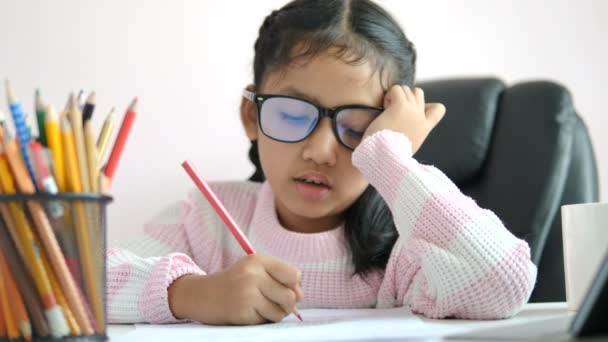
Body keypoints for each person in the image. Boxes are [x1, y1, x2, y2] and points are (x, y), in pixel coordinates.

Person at [107, 0, 536, 325]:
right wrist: (192, 293)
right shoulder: (204, 219)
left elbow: (503, 283)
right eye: (292, 115)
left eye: (358, 129)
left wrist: (391, 157)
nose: (320, 151)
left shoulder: (409, 250)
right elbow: (78, 286)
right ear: (251, 116)